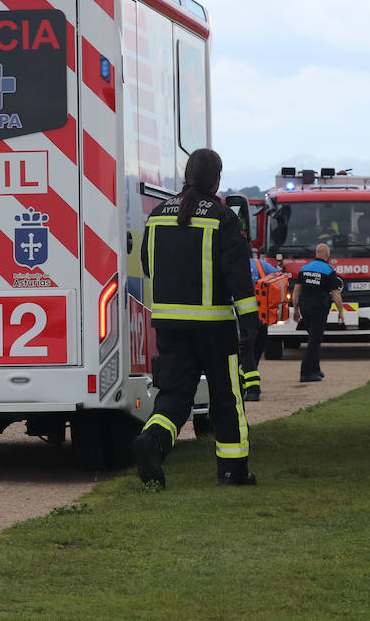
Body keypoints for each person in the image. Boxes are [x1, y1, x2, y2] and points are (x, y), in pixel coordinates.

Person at [133, 148, 260, 489]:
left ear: (187, 175)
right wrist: (250, 323)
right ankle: (233, 472)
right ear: (216, 179)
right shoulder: (223, 217)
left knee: (173, 396)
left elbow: (148, 267)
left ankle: (153, 440)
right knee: (226, 397)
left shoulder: (157, 214)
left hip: (169, 325)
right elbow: (238, 279)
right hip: (214, 327)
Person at [291, 242, 345, 383]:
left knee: (313, 337)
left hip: (304, 306)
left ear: (316, 254)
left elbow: (296, 291)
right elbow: (336, 294)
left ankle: (316, 369)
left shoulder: (304, 269)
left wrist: (296, 310)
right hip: (318, 307)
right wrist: (341, 312)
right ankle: (306, 372)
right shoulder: (329, 270)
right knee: (315, 340)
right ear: (327, 255)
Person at [240, 252, 280, 402]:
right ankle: (248, 382)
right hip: (262, 317)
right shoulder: (259, 264)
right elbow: (279, 277)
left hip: (243, 316)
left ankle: (252, 389)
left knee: (245, 351)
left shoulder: (232, 264)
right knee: (255, 350)